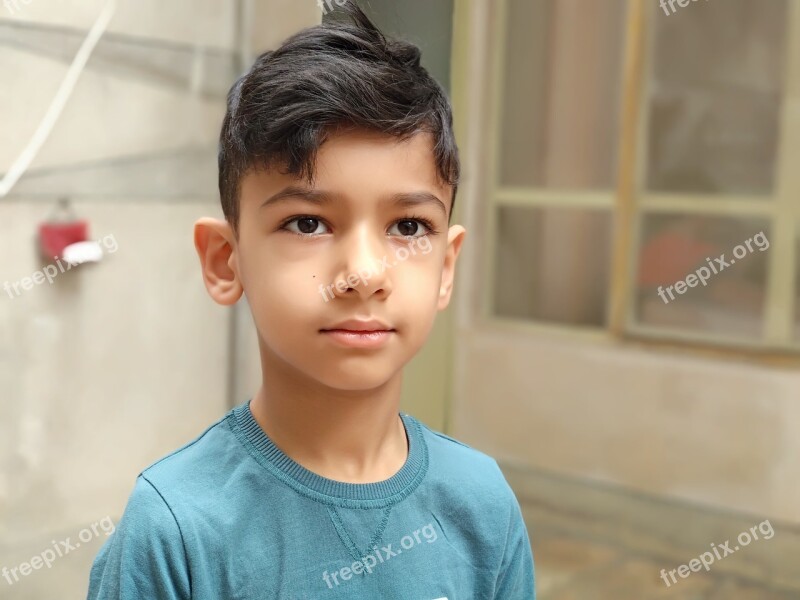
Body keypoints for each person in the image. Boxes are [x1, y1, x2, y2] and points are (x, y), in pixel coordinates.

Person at [87, 3, 535, 598]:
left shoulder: (483, 505)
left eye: (407, 227)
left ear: (446, 266)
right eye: (307, 223)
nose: (365, 274)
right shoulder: (177, 529)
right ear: (226, 259)